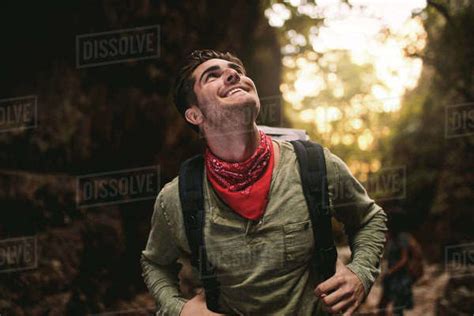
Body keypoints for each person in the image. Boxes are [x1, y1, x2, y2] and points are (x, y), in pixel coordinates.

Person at [141, 49, 388, 315]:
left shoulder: (314, 165)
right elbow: (155, 264)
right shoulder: (176, 198)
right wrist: (178, 310)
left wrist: (360, 274)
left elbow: (369, 219)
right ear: (194, 115)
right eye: (212, 76)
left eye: (236, 70)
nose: (233, 74)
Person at [377, 212, 416, 316]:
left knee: (397, 307)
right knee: (383, 305)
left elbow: (404, 259)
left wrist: (391, 271)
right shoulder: (392, 237)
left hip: (400, 277)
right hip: (391, 276)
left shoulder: (402, 237)